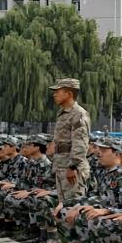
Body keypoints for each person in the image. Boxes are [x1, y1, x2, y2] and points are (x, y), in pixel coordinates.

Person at [49, 78, 91, 208]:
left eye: (58, 91)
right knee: (62, 207)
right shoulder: (63, 113)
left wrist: (72, 166)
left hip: (72, 168)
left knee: (73, 207)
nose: (54, 94)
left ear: (69, 94)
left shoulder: (78, 114)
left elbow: (80, 143)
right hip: (61, 165)